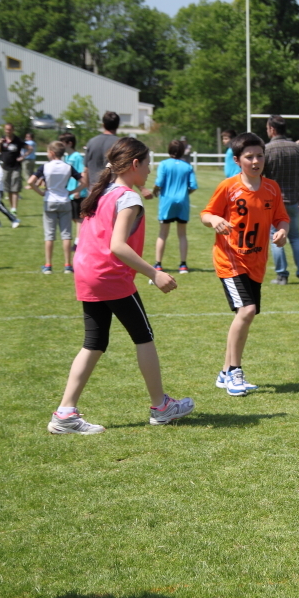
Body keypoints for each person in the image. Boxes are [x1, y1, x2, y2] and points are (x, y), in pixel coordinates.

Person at [47, 137, 195, 435]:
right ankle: (161, 407)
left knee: (94, 342)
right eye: (148, 164)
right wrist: (154, 273)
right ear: (135, 164)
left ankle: (65, 414)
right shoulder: (128, 198)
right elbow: (117, 245)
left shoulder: (103, 192)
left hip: (87, 273)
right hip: (109, 276)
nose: (150, 170)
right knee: (144, 336)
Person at [201, 132, 289, 396]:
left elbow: (282, 218)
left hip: (256, 262)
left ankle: (224, 372)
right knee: (247, 310)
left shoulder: (272, 188)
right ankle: (234, 372)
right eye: (249, 157)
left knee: (245, 315)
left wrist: (282, 231)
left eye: (259, 156)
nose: (255, 161)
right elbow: (206, 213)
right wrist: (214, 220)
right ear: (237, 160)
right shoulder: (228, 187)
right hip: (230, 258)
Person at [264, 115, 299, 285]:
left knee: (275, 236)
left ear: (272, 129)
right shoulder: (298, 149)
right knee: (295, 237)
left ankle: (282, 275)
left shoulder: (266, 150)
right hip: (293, 200)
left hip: (273, 202)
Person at [28, 140, 84, 274]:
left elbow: (31, 182)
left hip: (50, 200)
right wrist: (72, 192)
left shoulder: (45, 166)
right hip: (65, 201)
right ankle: (67, 265)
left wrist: (41, 192)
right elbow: (84, 182)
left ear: (52, 153)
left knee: (49, 235)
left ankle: (48, 265)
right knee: (66, 235)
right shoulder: (68, 167)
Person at [153, 139, 198, 273]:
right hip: (182, 202)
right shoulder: (187, 166)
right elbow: (193, 186)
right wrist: (184, 194)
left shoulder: (164, 164)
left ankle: (158, 264)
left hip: (166, 201)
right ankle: (183, 265)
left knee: (162, 234)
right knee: (182, 234)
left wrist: (155, 191)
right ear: (183, 151)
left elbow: (159, 182)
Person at [59, 133, 88, 238]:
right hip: (69, 191)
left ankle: (78, 241)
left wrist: (78, 191)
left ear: (70, 143)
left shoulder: (77, 157)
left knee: (78, 218)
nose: (60, 145)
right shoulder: (67, 157)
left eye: (62, 143)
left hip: (76, 192)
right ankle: (83, 236)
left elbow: (82, 174)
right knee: (73, 217)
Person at [84, 112, 121, 192]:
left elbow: (86, 169)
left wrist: (89, 188)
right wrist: (142, 188)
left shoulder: (92, 142)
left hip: (94, 188)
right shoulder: (120, 143)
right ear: (118, 125)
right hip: (112, 189)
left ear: (103, 125)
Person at [0, 123, 24, 214]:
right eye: (6, 129)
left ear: (13, 130)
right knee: (8, 189)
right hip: (5, 167)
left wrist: (23, 156)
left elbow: (29, 148)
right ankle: (11, 207)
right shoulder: (2, 139)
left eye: (9, 129)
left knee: (15, 188)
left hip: (16, 167)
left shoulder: (17, 140)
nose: (8, 131)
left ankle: (14, 208)